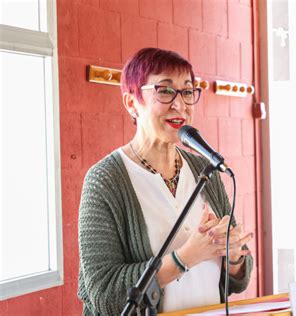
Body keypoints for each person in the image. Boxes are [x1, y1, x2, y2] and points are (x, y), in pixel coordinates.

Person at [77, 47, 253, 315]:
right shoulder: (105, 180)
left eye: (187, 91)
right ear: (131, 103)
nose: (179, 104)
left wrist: (234, 256)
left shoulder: (204, 169)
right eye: (165, 90)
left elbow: (238, 279)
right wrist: (185, 257)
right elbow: (104, 293)